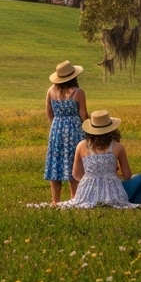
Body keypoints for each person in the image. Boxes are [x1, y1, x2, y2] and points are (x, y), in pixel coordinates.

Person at [58, 110, 141, 208]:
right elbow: (128, 176)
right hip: (112, 194)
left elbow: (76, 174)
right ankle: (139, 202)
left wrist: (92, 177)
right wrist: (111, 175)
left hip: (86, 195)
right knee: (139, 178)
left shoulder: (81, 146)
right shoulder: (117, 147)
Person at [44, 60, 89, 204]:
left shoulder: (50, 91)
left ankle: (55, 201)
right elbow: (83, 115)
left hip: (56, 129)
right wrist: (88, 132)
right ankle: (74, 199)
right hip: (74, 130)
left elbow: (49, 113)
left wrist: (58, 125)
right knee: (73, 163)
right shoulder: (78, 92)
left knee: (55, 163)